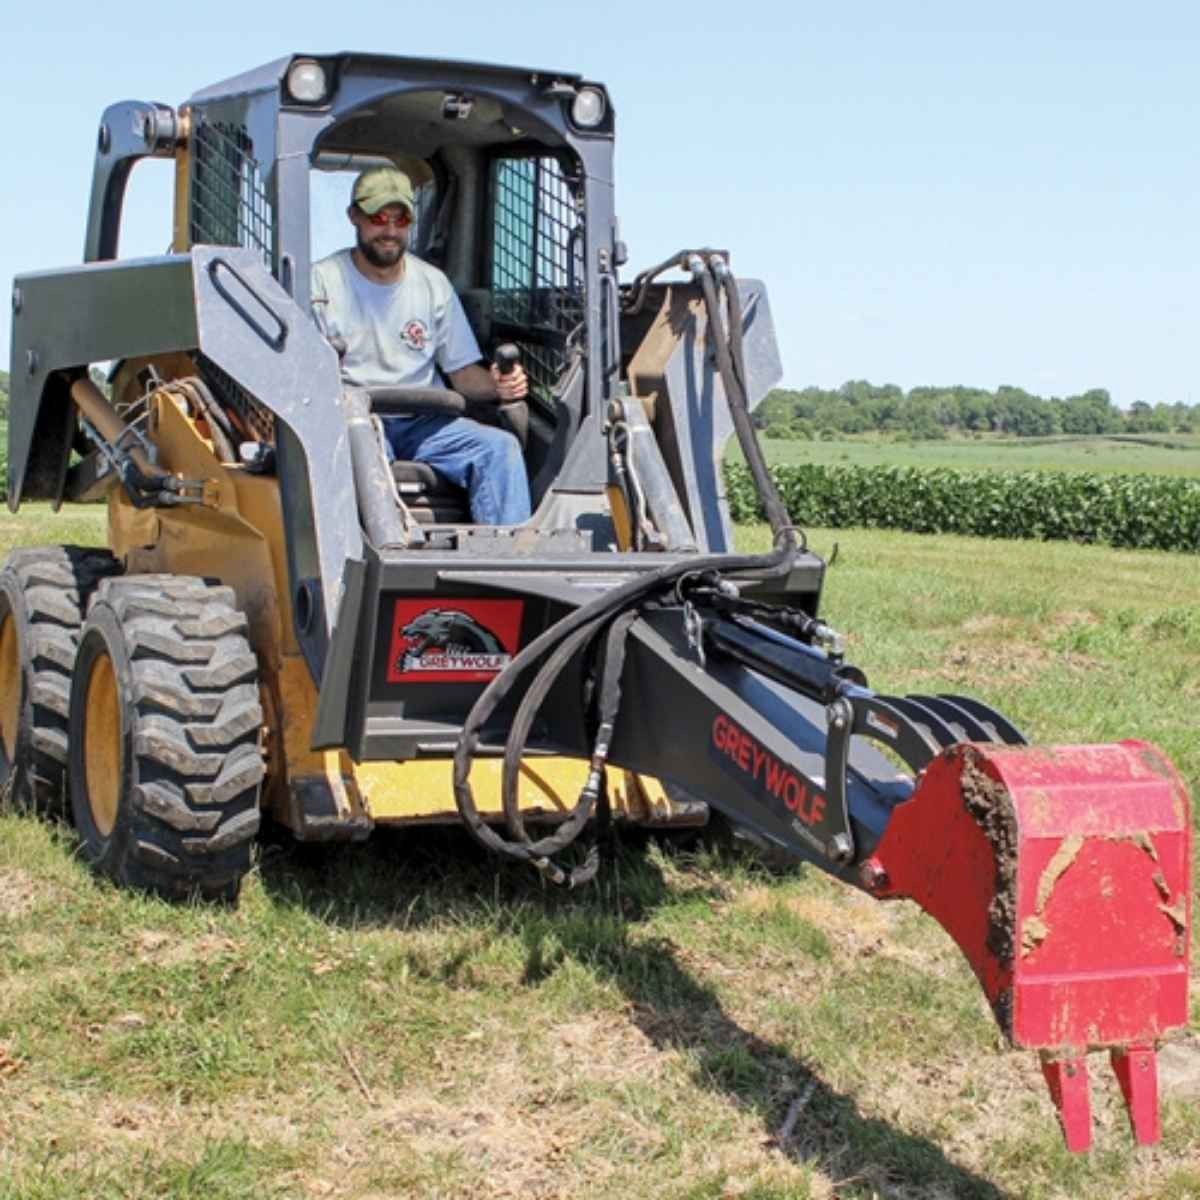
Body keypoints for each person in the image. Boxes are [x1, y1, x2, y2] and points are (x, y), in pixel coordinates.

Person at [311, 166, 531, 525]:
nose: (390, 230)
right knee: (359, 457)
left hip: (426, 422)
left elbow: (462, 374)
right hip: (357, 419)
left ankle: (506, 566)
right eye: (379, 217)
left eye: (401, 219)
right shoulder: (320, 284)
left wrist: (498, 385)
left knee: (499, 449)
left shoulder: (432, 284)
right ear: (354, 217)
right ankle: (367, 563)